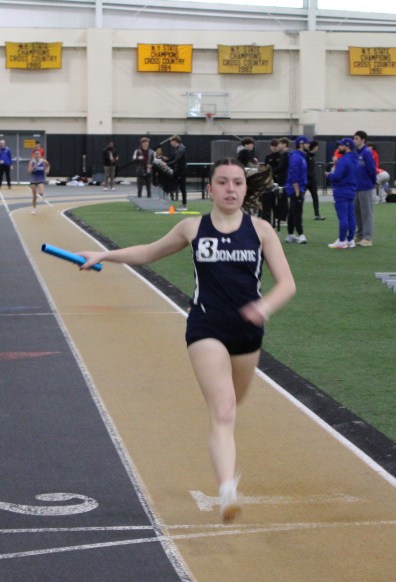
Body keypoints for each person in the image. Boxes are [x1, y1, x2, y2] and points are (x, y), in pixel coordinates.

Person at [76, 159, 296, 523]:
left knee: (232, 406)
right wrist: (104, 255)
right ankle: (227, 490)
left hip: (247, 332)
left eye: (237, 182)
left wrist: (265, 306)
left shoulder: (261, 230)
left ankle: (225, 467)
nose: (230, 189)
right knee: (223, 410)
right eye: (222, 182)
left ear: (245, 189)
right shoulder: (193, 227)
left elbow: (287, 283)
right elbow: (149, 252)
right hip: (206, 327)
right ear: (210, 188)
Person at [327, 138, 358, 249]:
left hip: (341, 190)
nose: (338, 147)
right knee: (351, 216)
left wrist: (329, 175)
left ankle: (341, 240)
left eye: (341, 145)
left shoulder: (343, 160)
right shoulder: (355, 159)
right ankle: (350, 240)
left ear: (347, 147)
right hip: (351, 189)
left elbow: (336, 176)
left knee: (343, 216)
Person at [352, 131, 377, 246]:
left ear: (363, 140)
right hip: (356, 186)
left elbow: (371, 169)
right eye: (354, 138)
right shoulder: (355, 152)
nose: (354, 140)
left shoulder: (366, 152)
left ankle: (367, 238)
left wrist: (372, 182)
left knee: (366, 213)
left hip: (365, 186)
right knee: (357, 212)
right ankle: (359, 235)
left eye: (356, 138)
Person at [284, 136, 309, 244]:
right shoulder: (296, 157)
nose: (308, 145)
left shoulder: (301, 156)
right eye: (307, 143)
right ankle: (301, 234)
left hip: (298, 187)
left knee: (293, 211)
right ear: (301, 144)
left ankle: (290, 234)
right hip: (296, 188)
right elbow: (293, 174)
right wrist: (297, 190)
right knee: (298, 211)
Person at [166, 135, 189, 210]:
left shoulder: (181, 149)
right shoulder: (177, 149)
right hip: (177, 171)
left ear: (175, 141)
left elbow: (177, 160)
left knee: (182, 188)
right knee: (169, 184)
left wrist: (166, 164)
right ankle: (167, 200)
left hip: (181, 172)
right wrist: (163, 160)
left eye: (171, 142)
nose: (170, 143)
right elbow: (171, 158)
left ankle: (184, 205)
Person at [306, 140, 324, 221]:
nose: (318, 148)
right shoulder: (306, 156)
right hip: (306, 180)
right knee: (300, 197)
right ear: (315, 147)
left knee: (315, 197)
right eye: (317, 147)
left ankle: (317, 214)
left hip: (312, 180)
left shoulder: (312, 156)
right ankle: (296, 214)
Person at [28, 148, 49, 213]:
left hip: (40, 179)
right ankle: (34, 209)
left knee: (41, 193)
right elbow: (29, 172)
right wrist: (33, 168)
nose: (37, 155)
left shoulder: (44, 161)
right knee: (34, 196)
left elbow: (48, 165)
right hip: (33, 179)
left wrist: (47, 170)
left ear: (40, 154)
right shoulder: (31, 162)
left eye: (38, 154)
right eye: (36, 154)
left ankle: (40, 194)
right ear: (34, 155)